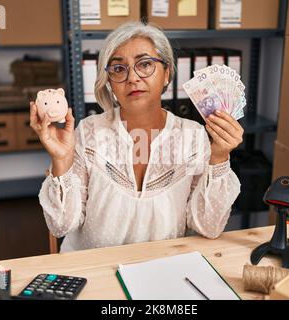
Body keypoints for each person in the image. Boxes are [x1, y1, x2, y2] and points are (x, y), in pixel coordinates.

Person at [30, 22, 244, 252]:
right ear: (110, 83)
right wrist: (61, 160)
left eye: (145, 64)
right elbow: (61, 225)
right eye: (119, 69)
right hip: (93, 269)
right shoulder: (89, 131)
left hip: (159, 268)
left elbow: (208, 227)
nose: (132, 77)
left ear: (167, 74)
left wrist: (220, 157)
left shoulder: (193, 136)